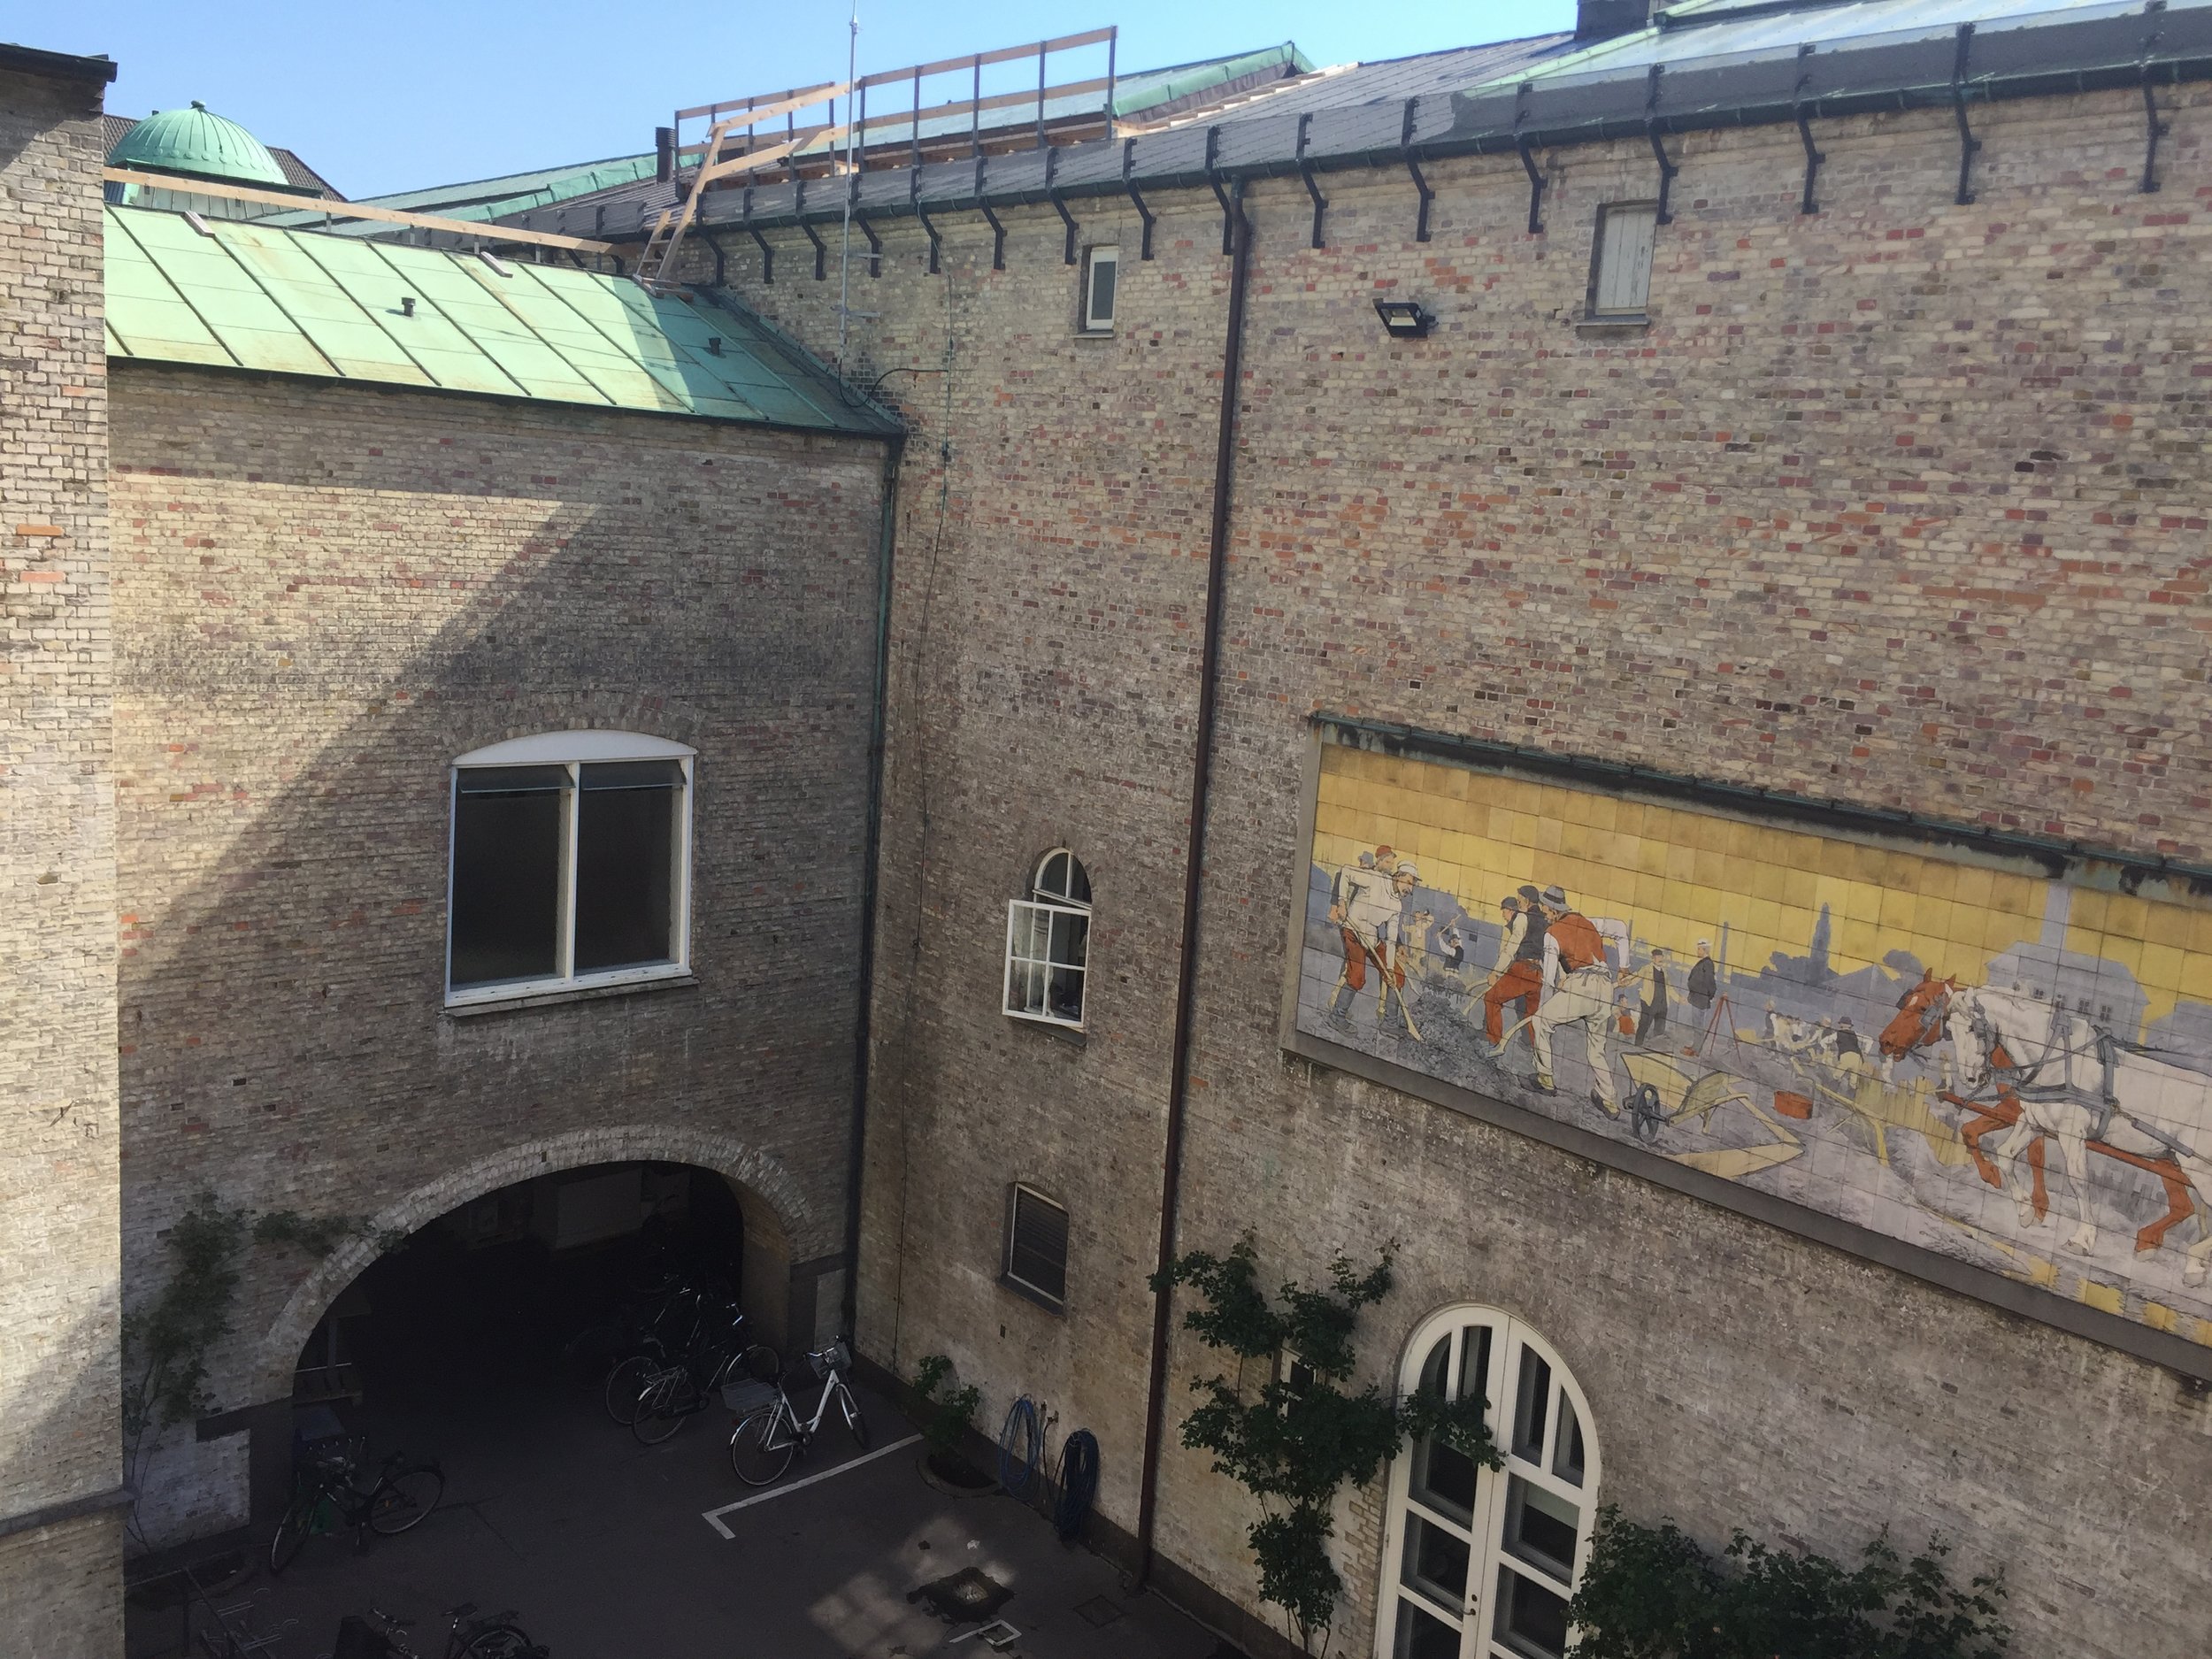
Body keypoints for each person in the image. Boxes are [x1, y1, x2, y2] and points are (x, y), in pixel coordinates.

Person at [1521, 885, 1629, 1115]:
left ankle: (1545, 1079)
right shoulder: (1588, 922)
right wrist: (1624, 968)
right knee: (1596, 1050)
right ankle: (1608, 1099)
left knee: (1540, 1021)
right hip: (1605, 988)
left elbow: (1549, 979)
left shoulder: (1552, 933)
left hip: (1582, 985)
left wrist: (1545, 1006)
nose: (1544, 913)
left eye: (1545, 909)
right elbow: (1620, 928)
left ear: (1551, 909)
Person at [1327, 851, 1417, 1032]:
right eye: (1408, 882)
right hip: (1353, 932)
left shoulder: (1397, 905)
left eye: (1412, 885)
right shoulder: (1375, 879)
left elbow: (1391, 939)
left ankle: (1389, 1023)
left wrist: (1389, 969)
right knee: (1357, 977)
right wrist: (1342, 903)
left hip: (1372, 939)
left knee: (1397, 975)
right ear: (1398, 876)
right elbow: (1346, 872)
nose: (1410, 888)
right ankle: (1337, 1017)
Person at [1480, 885, 1547, 1050]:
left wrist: (1496, 972)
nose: (1519, 904)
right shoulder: (1546, 921)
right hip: (1539, 973)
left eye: (1519, 901)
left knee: (1492, 998)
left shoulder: (1523, 918)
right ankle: (1532, 1045)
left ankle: (1494, 1040)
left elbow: (1511, 947)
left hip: (1523, 969)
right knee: (1530, 1012)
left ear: (1527, 901)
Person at [1636, 947, 1671, 1047]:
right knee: (1644, 1024)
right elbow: (1636, 977)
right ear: (1653, 958)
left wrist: (1679, 998)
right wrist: (1625, 982)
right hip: (1649, 1002)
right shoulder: (1646, 969)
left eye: (1661, 957)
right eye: (1657, 957)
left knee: (1660, 1028)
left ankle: (1656, 1046)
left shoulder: (1665, 972)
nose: (1660, 959)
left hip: (1662, 1003)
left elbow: (1670, 988)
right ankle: (1638, 1044)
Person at [1687, 940, 1717, 1014]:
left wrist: (1710, 996)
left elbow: (1710, 981)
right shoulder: (1704, 963)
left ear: (1704, 950)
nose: (1697, 951)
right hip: (1698, 999)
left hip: (1700, 1001)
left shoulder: (1707, 964)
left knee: (1697, 1020)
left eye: (1699, 949)